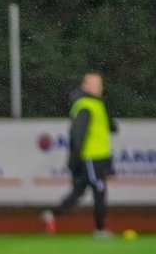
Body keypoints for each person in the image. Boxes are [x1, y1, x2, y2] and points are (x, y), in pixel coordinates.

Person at [42, 72, 118, 237]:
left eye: (100, 84)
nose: (100, 87)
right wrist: (75, 158)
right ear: (85, 86)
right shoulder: (85, 105)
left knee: (78, 192)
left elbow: (112, 127)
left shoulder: (96, 104)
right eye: (95, 84)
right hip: (91, 158)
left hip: (98, 157)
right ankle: (100, 229)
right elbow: (78, 134)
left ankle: (52, 215)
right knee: (100, 190)